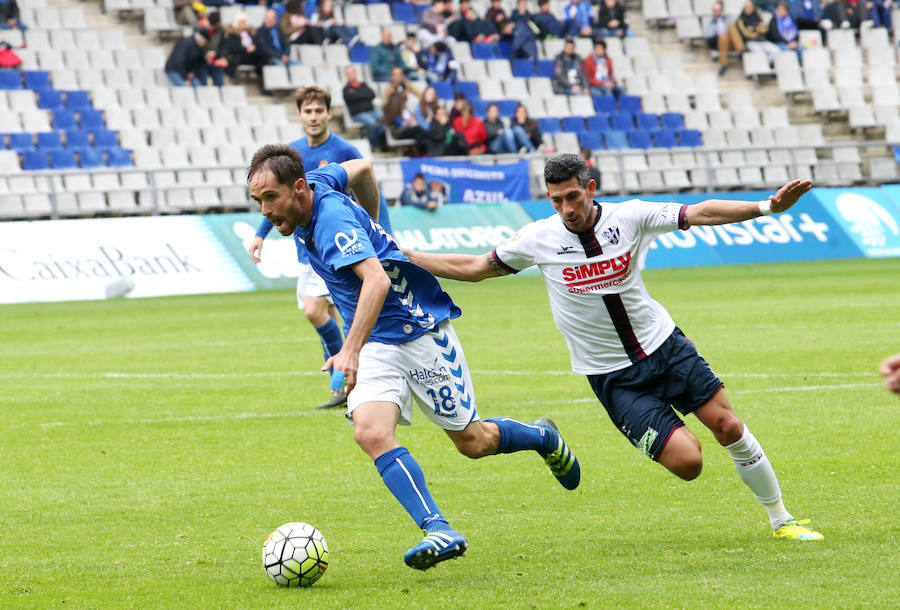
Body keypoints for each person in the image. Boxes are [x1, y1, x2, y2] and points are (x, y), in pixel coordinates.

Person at [403, 153, 825, 543]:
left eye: (572, 196)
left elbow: (699, 211)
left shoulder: (631, 216)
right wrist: (406, 256)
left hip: (665, 346)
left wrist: (766, 208)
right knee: (688, 464)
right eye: (556, 200)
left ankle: (781, 520)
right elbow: (477, 268)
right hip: (612, 376)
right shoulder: (538, 237)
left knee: (729, 427)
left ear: (590, 188)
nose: (567, 208)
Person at [246, 144, 581, 571]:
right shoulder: (319, 181)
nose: (265, 210)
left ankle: (542, 437)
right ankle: (438, 528)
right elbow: (365, 168)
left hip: (419, 331)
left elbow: (377, 282)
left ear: (297, 187)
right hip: (378, 344)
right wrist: (375, 226)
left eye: (270, 199)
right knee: (369, 432)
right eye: (258, 201)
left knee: (474, 443)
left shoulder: (330, 221)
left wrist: (348, 352)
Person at [248, 86, 393, 410]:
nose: (313, 117)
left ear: (329, 113)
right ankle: (347, 377)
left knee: (321, 309)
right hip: (307, 252)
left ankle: (346, 380)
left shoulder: (343, 150)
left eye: (319, 111)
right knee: (321, 311)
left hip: (340, 247)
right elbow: (274, 199)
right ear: (299, 115)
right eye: (307, 111)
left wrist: (378, 232)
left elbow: (367, 184)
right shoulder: (289, 155)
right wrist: (260, 234)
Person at [343, 65, 384, 152]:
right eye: (349, 73)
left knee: (384, 118)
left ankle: (383, 143)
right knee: (372, 123)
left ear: (355, 73)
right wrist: (364, 95)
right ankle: (374, 145)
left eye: (352, 72)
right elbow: (352, 98)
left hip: (372, 111)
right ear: (346, 75)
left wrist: (358, 95)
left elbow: (372, 94)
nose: (351, 75)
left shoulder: (363, 84)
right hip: (358, 115)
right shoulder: (346, 89)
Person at [218, 12, 267, 81]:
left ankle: (263, 79)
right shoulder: (232, 34)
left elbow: (257, 43)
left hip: (252, 55)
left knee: (264, 56)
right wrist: (246, 49)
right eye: (241, 22)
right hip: (240, 56)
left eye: (244, 22)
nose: (243, 24)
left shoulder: (252, 32)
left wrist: (254, 48)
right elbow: (233, 48)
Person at [706, 1, 745, 76]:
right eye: (714, 10)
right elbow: (710, 40)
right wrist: (721, 34)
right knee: (723, 36)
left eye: (718, 10)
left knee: (730, 26)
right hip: (719, 43)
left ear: (721, 10)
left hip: (732, 43)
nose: (716, 12)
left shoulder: (728, 20)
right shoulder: (711, 23)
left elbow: (735, 33)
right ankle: (724, 64)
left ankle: (741, 50)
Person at [737, 0, 781, 65]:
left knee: (777, 51)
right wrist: (758, 29)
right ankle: (762, 67)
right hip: (751, 42)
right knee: (760, 54)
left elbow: (766, 29)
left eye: (750, 7)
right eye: (746, 7)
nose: (748, 9)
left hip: (762, 40)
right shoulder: (741, 19)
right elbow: (746, 34)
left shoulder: (757, 17)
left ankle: (765, 65)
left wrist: (754, 29)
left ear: (753, 8)